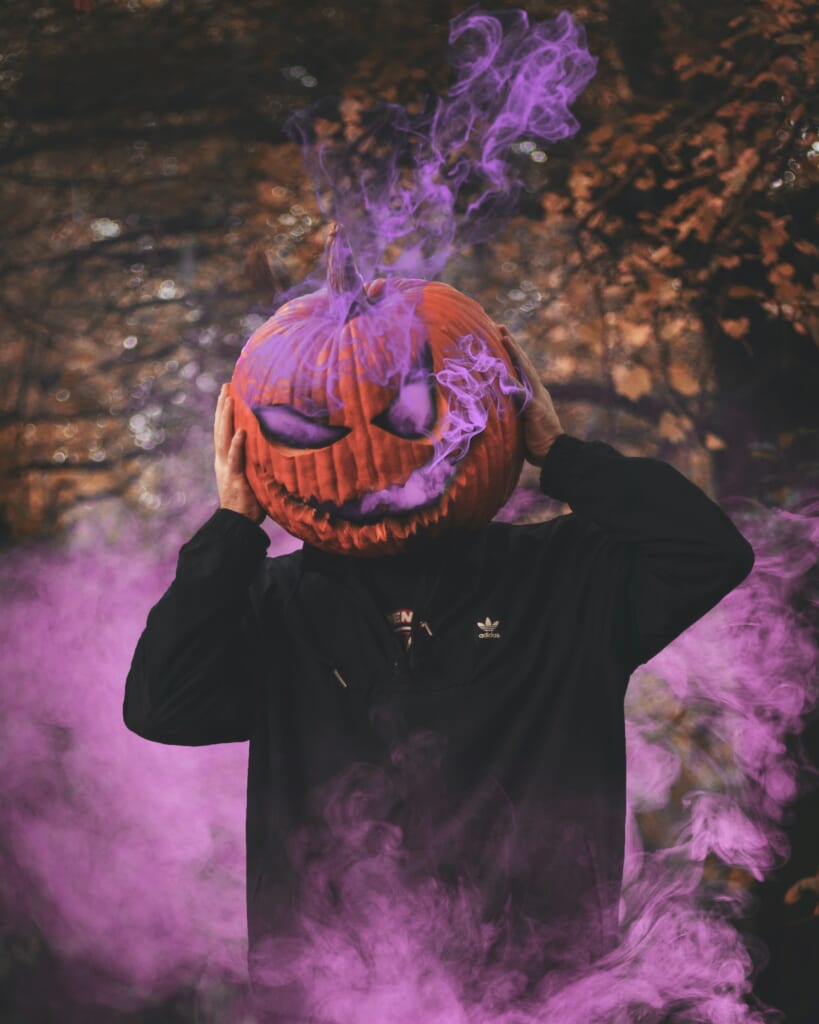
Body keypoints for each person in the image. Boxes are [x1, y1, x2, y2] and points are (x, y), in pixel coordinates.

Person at [124, 333, 755, 1022]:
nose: (366, 450)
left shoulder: (567, 578)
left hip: (546, 996)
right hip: (333, 996)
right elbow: (163, 705)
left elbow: (708, 550)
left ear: (487, 422)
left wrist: (561, 456)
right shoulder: (271, 607)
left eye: (410, 416)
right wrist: (233, 527)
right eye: (309, 429)